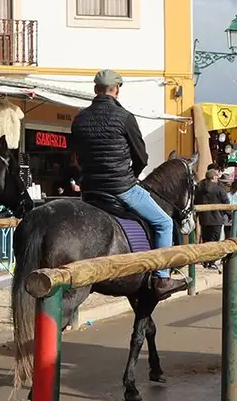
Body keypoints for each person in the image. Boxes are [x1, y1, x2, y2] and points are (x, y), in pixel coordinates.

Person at [70, 69, 186, 297]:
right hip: (121, 188)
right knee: (164, 223)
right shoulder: (125, 118)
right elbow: (142, 157)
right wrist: (130, 177)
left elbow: (76, 157)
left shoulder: (79, 119)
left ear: (95, 90)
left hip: (90, 191)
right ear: (117, 90)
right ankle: (162, 278)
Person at [195, 169, 231, 270]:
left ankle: (206, 261)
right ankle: (212, 262)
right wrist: (229, 215)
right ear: (214, 177)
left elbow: (195, 201)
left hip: (203, 218)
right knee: (214, 241)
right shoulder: (219, 189)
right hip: (217, 219)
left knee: (206, 240)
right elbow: (226, 202)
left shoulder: (199, 188)